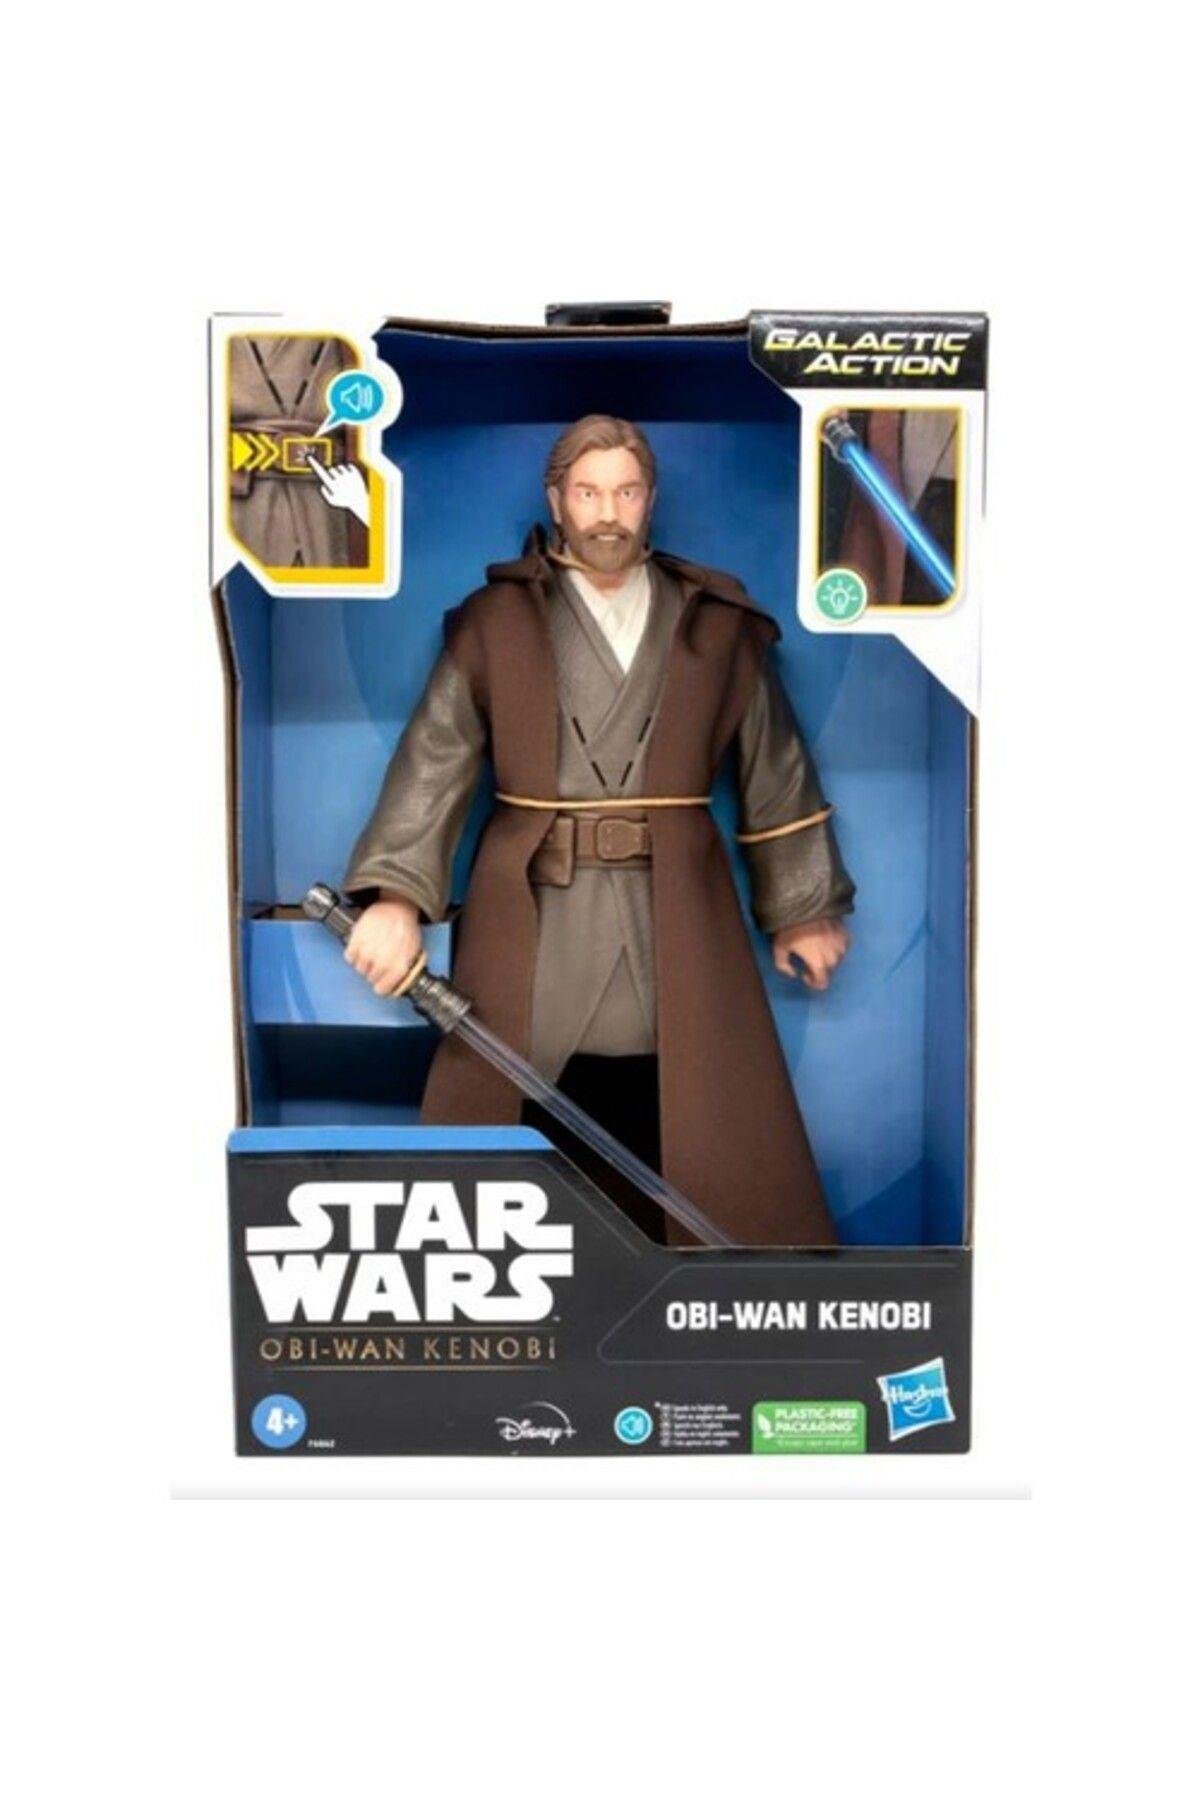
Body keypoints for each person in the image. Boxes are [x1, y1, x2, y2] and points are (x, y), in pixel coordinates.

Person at [342, 416, 854, 1245]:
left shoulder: (713, 625)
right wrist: (396, 899)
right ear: (557, 500)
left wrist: (802, 904)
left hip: (675, 905)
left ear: (651, 500)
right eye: (587, 492)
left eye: (626, 491)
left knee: (696, 1098)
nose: (607, 513)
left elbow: (775, 764)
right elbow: (436, 758)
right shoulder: (496, 621)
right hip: (537, 904)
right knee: (516, 1082)